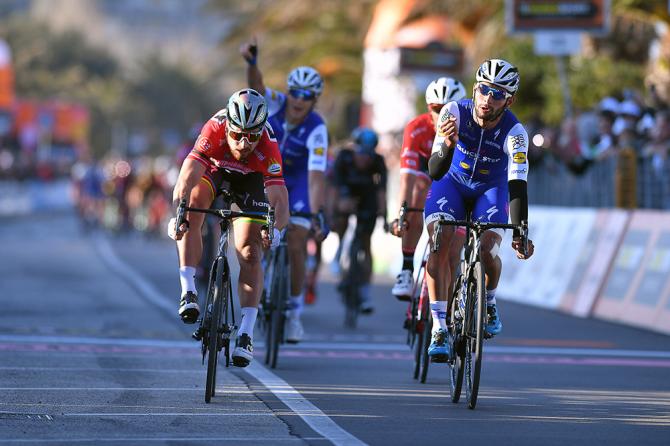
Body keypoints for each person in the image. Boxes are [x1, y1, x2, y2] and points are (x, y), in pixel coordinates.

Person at [169, 88, 289, 367]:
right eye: (238, 135)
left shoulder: (268, 144)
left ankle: (246, 332)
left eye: (252, 137)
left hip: (251, 183)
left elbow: (279, 197)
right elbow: (188, 174)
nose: (245, 143)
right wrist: (179, 210)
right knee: (193, 206)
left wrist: (277, 231)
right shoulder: (214, 128)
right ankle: (188, 290)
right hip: (215, 171)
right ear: (229, 127)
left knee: (249, 251)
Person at [425, 59, 535, 361]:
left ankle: (488, 301)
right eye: (484, 90)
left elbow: (517, 185)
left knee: (488, 249)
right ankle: (439, 328)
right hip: (452, 183)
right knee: (439, 240)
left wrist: (520, 229)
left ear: (509, 100)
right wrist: (446, 145)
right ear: (475, 88)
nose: (488, 99)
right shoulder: (453, 113)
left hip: (492, 189)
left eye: (497, 94)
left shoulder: (516, 134)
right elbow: (434, 171)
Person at [240, 37, 329, 343]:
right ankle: (259, 273)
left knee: (296, 240)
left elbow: (317, 176)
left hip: (300, 182)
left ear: (314, 99)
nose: (297, 99)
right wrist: (252, 63)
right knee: (258, 235)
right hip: (269, 176)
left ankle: (293, 313)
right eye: (294, 92)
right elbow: (257, 88)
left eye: (306, 95)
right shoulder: (275, 103)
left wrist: (315, 213)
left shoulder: (317, 128)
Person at [390, 77, 467, 300]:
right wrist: (401, 215)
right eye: (436, 108)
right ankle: (406, 269)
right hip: (426, 177)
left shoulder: (469, 129)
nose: (442, 114)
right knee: (418, 191)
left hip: (455, 182)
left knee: (453, 253)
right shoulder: (416, 128)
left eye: (448, 109)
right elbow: (407, 179)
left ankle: (447, 308)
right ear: (428, 108)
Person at [331, 127, 387, 313]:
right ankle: (341, 249)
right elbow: (334, 190)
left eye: (369, 155)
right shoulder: (344, 158)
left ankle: (365, 291)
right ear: (354, 149)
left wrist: (383, 215)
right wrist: (333, 212)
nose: (365, 159)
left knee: (365, 242)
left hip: (367, 197)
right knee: (341, 219)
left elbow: (381, 191)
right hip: (346, 192)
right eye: (361, 153)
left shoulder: (378, 161)